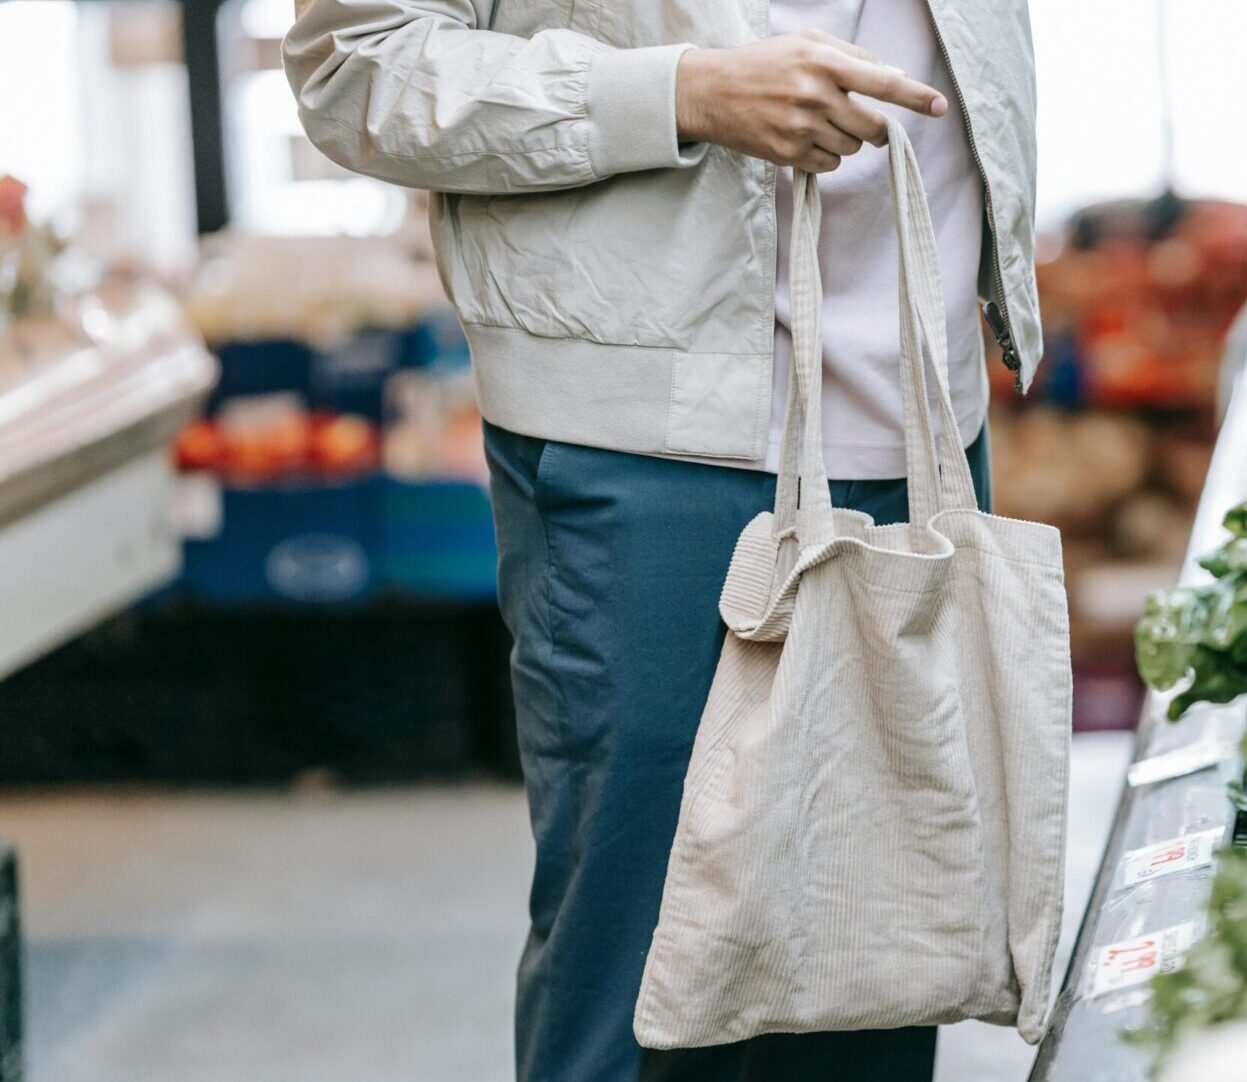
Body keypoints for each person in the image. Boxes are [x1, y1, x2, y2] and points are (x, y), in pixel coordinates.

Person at [282, 1, 1041, 1080]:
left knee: (876, 967)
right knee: (645, 982)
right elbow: (354, 65)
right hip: (649, 438)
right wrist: (680, 92)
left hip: (919, 418)